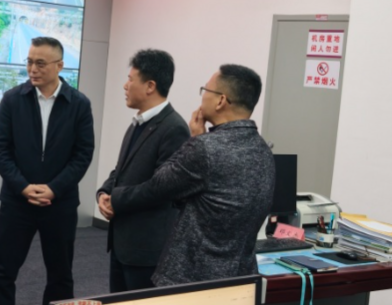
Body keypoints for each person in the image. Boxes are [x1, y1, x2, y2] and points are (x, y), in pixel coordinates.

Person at [106, 64, 275, 286]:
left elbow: (160, 184)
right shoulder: (264, 150)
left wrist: (195, 139)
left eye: (205, 90)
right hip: (240, 276)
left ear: (221, 100)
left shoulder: (204, 148)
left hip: (193, 278)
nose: (202, 97)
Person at [0, 37, 95, 305]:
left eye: (41, 63)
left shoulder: (79, 104)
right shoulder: (12, 99)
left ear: (60, 66)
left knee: (61, 276)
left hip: (59, 204)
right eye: (30, 62)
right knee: (2, 272)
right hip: (17, 202)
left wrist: (54, 188)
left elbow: (83, 154)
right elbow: (0, 150)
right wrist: (23, 187)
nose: (33, 69)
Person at [97, 49, 189, 292]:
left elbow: (161, 188)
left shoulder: (174, 128)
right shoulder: (137, 123)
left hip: (146, 250)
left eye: (130, 79)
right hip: (122, 243)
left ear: (150, 86)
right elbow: (121, 169)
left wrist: (116, 198)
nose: (125, 85)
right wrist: (104, 192)